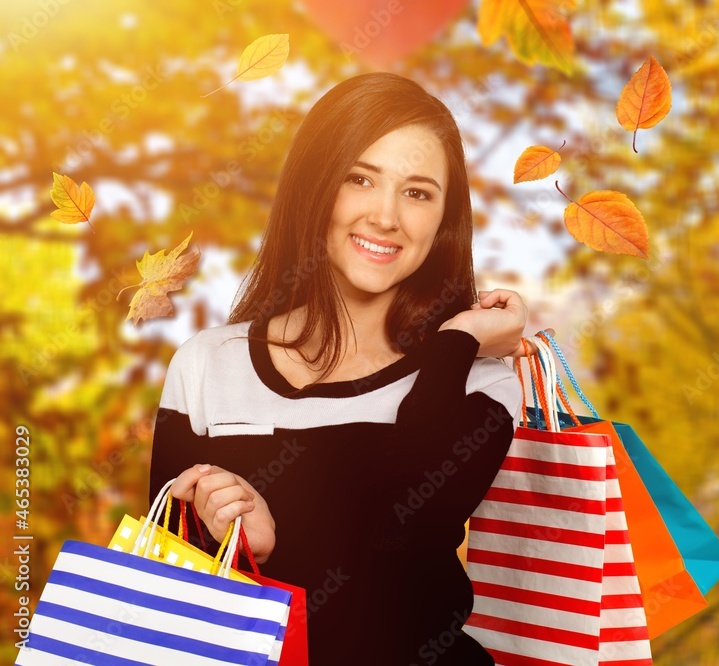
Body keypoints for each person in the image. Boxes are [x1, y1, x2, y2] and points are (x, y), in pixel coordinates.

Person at [147, 72, 551, 664]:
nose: (386, 217)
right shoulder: (207, 365)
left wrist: (459, 337)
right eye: (360, 179)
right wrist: (242, 548)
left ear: (444, 219)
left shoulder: (479, 379)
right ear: (316, 188)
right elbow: (169, 586)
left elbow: (409, 517)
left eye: (417, 193)